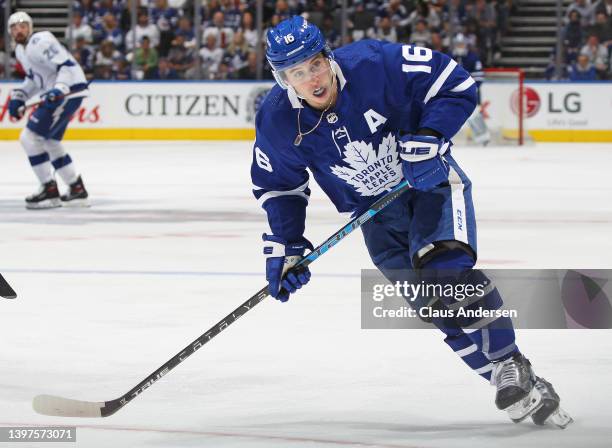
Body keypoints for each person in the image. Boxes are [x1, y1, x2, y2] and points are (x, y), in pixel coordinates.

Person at [250, 16, 573, 428]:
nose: (312, 78)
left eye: (315, 64)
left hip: (430, 187)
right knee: (435, 306)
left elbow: (453, 82)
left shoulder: (374, 62)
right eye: (297, 72)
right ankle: (521, 386)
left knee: (446, 275)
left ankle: (509, 362)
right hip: (375, 216)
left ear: (327, 56)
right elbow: (279, 186)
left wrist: (432, 135)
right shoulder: (277, 121)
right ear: (283, 79)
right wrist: (288, 245)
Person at [8, 12, 89, 209]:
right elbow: (36, 79)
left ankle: (48, 189)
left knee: (29, 138)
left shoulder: (40, 40)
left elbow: (66, 65)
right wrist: (20, 96)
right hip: (64, 93)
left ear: (30, 27)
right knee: (50, 141)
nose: (19, 30)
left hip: (67, 92)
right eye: (14, 27)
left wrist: (59, 88)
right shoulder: (20, 50)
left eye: (23, 25)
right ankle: (76, 188)